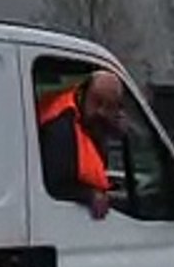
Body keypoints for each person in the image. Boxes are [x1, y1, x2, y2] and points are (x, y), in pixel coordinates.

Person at [37, 70, 125, 219]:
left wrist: (117, 130)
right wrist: (89, 195)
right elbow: (54, 184)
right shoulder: (61, 125)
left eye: (109, 105)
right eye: (97, 101)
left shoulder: (88, 118)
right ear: (84, 93)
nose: (101, 111)